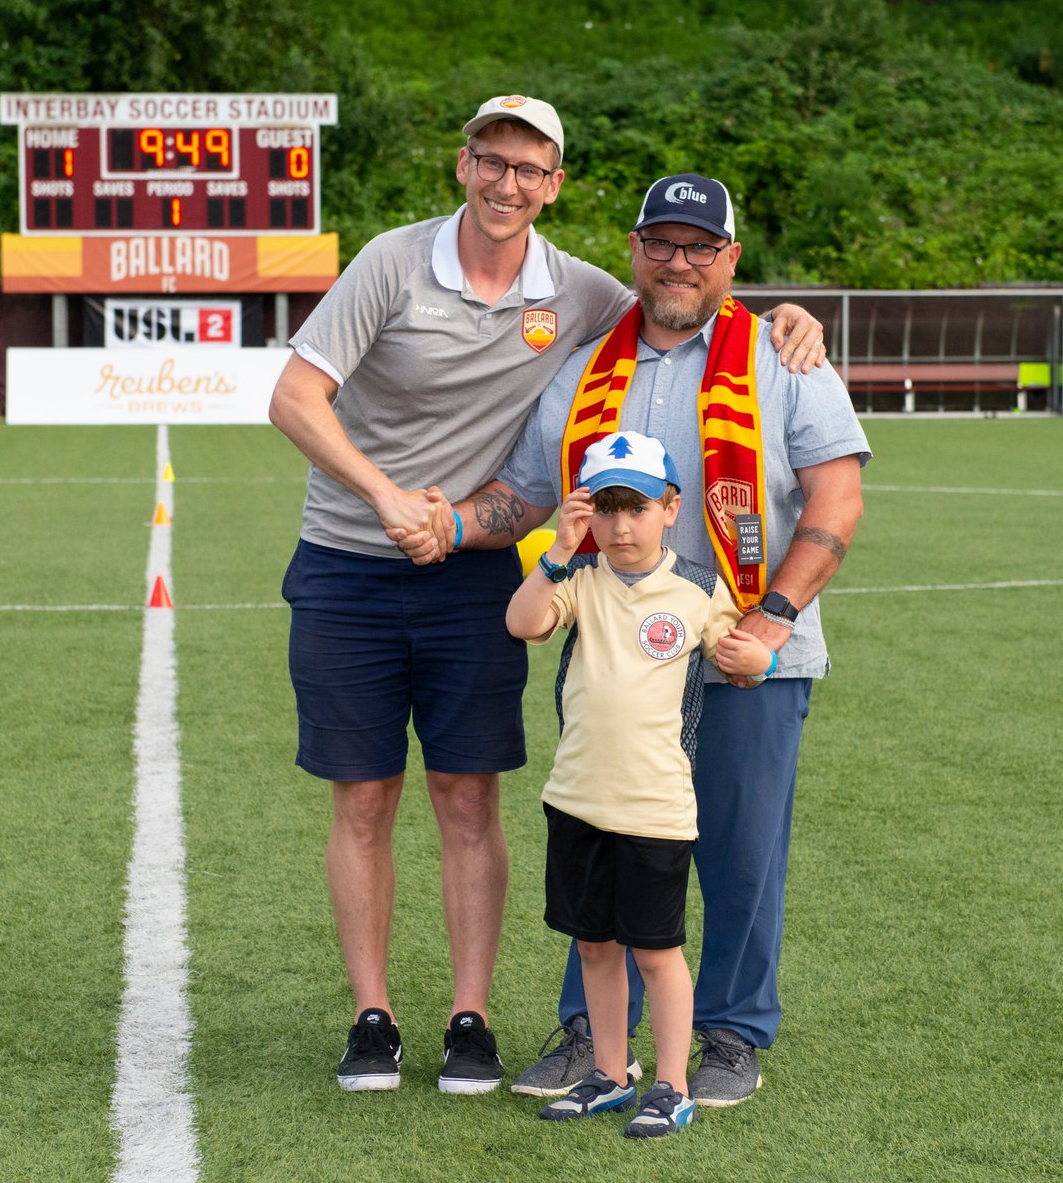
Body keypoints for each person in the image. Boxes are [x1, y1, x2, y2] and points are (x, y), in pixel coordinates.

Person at [269, 89, 827, 1096]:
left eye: (530, 168)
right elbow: (512, 487)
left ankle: (682, 1033)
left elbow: (821, 474)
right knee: (553, 819)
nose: (678, 262)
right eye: (493, 160)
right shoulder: (467, 291)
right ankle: (498, 1028)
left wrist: (794, 317)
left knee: (710, 846)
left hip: (711, 627)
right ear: (465, 163)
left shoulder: (686, 325)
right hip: (485, 600)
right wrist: (422, 513)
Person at [401, 172, 870, 1106]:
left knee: (740, 856)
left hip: (745, 654)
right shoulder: (585, 368)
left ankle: (731, 1034)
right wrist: (449, 525)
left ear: (731, 257)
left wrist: (772, 619)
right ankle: (593, 1038)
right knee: (606, 838)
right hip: (617, 658)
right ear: (635, 250)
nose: (679, 262)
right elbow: (527, 496)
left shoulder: (785, 357)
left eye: (700, 246)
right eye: (662, 242)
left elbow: (837, 499)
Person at [506, 429, 773, 1138]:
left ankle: (672, 1086)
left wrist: (760, 660)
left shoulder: (698, 588)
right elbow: (523, 622)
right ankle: (609, 1075)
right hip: (576, 799)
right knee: (595, 945)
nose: (621, 526)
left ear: (670, 508)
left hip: (655, 806)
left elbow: (741, 662)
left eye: (637, 508)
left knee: (656, 952)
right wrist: (559, 550)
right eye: (606, 509)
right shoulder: (577, 580)